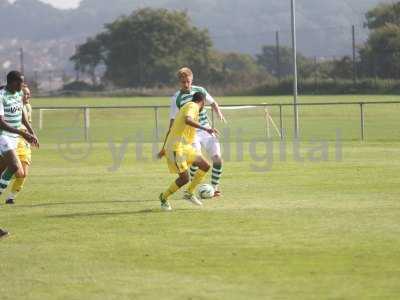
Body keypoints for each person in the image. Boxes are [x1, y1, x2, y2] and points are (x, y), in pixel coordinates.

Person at [159, 67, 226, 197]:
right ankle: (190, 190)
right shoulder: (176, 99)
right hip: (192, 134)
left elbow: (213, 103)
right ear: (179, 82)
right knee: (198, 161)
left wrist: (218, 112)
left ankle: (214, 188)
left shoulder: (200, 90)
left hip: (207, 130)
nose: (186, 84)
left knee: (217, 159)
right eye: (183, 82)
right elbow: (172, 123)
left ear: (192, 79)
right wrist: (165, 145)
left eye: (188, 81)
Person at [159, 92, 218, 211]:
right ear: (203, 102)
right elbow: (187, 120)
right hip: (175, 148)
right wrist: (206, 128)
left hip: (184, 147)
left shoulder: (190, 107)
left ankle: (189, 193)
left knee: (205, 166)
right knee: (184, 178)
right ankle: (164, 197)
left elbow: (175, 127)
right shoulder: (193, 106)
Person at [0, 71, 38, 197]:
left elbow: (23, 116)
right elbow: (2, 123)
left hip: (14, 137)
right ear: (13, 82)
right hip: (3, 135)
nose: (22, 85)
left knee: (2, 169)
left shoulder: (19, 93)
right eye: (20, 82)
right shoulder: (1, 96)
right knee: (15, 166)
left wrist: (32, 133)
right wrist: (22, 132)